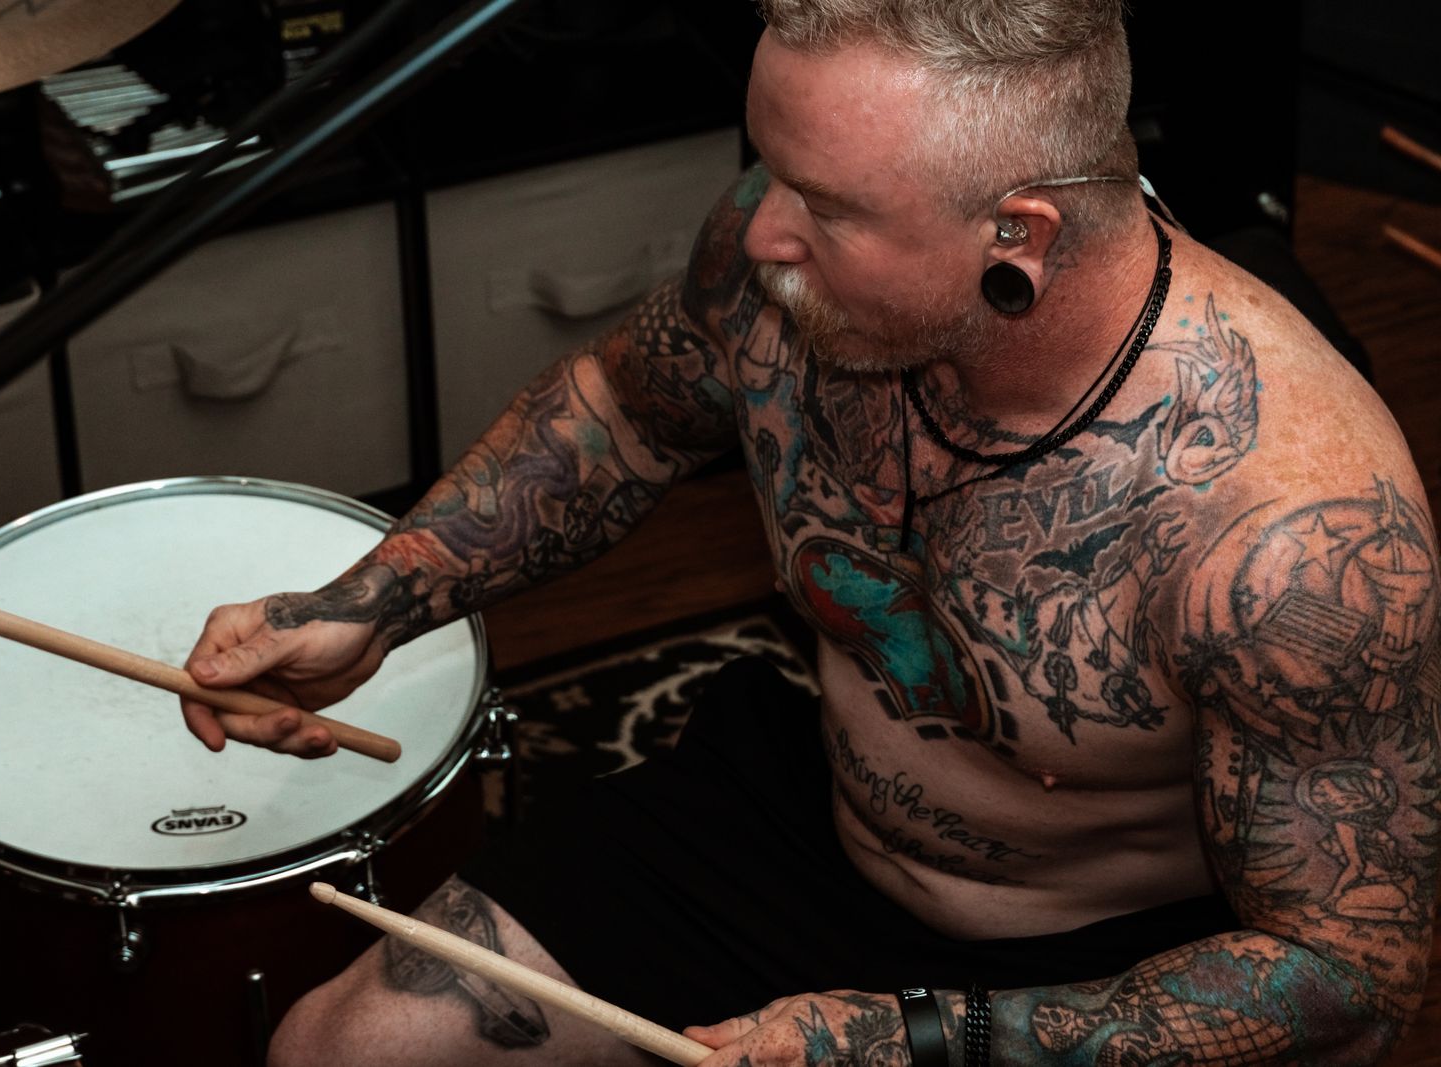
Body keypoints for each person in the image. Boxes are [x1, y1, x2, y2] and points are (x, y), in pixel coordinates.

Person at [181, 1, 1440, 1063]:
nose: (759, 229)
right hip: (809, 813)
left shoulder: (1287, 535)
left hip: (1087, 969)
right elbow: (626, 408)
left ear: (1018, 231)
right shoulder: (780, 267)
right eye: (770, 169)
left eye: (825, 205)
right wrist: (374, 600)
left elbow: (1343, 968)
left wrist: (916, 1037)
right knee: (337, 1045)